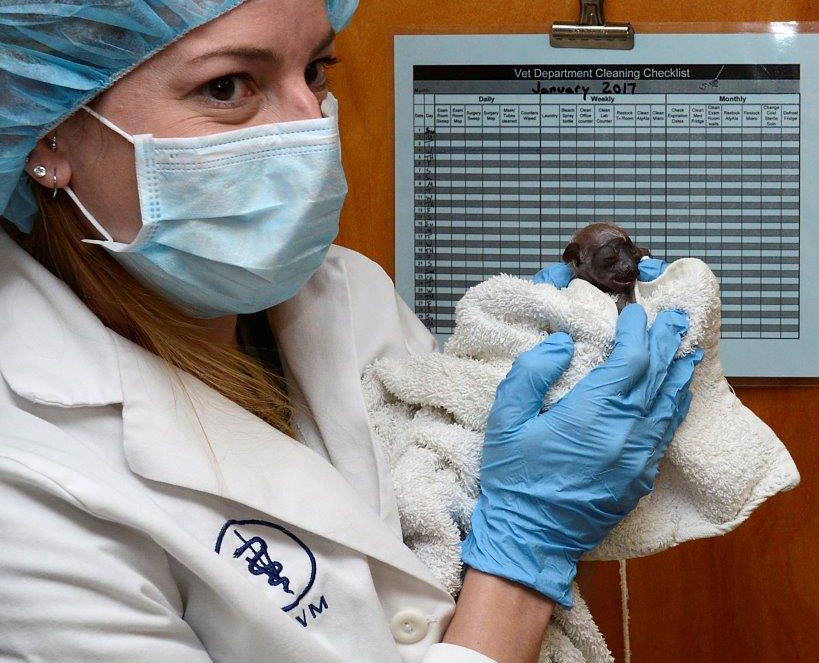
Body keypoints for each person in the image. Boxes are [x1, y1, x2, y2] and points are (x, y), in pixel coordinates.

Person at [0, 2, 700, 662]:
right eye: (227, 88)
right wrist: (522, 560)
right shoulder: (25, 488)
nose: (311, 125)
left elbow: (443, 492)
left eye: (314, 71)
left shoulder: (344, 292)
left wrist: (533, 363)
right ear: (49, 131)